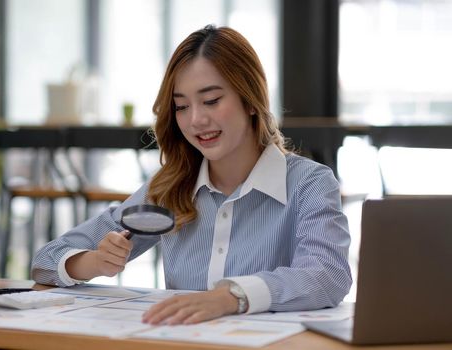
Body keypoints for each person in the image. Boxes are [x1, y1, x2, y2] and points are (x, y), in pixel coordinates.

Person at [32, 25, 352, 325]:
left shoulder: (309, 183)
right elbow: (45, 261)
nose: (196, 119)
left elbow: (326, 275)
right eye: (182, 106)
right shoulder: (170, 187)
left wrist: (230, 297)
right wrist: (94, 262)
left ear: (251, 100)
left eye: (211, 100)